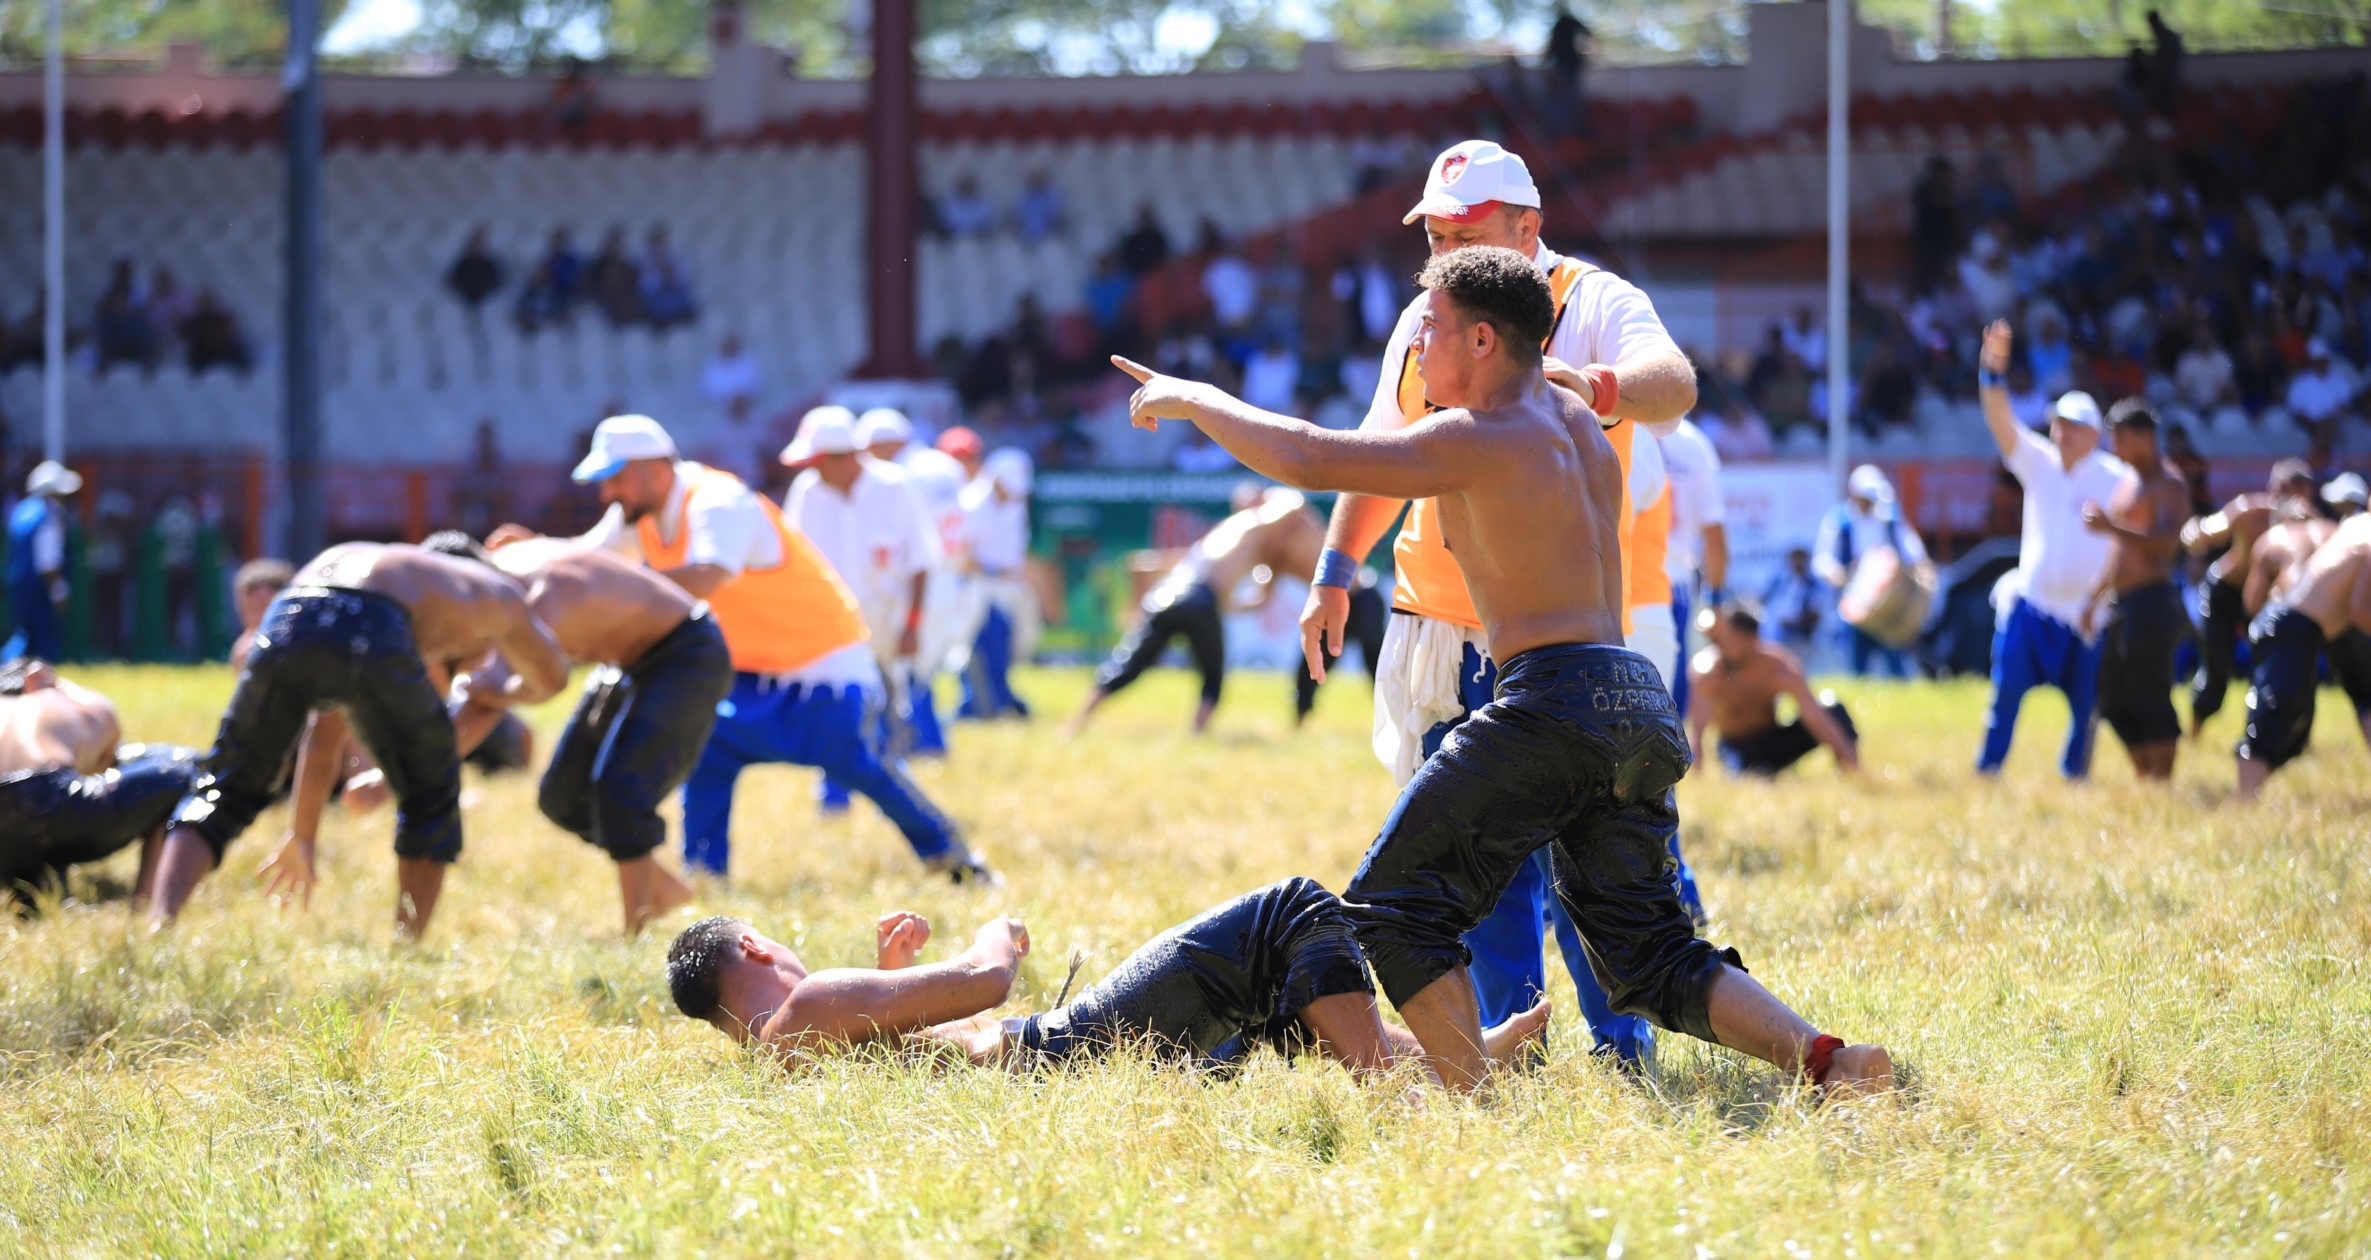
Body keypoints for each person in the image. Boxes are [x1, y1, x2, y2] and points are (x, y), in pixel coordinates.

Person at [1113, 245, 1893, 1097]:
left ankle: (1469, 1100)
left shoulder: (1477, 435)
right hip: (1632, 696)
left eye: (1431, 330)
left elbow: (1310, 458)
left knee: (1390, 903)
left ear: (1484, 341)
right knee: (1653, 951)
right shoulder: (1576, 422)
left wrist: (1197, 399)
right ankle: (1831, 1063)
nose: (1415, 347)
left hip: (1550, 699)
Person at [1294, 140, 1701, 1067]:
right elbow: (1376, 447)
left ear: (1528, 227)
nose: (1442, 250)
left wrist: (1590, 382)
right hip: (1442, 625)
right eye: (1433, 234)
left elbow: (1672, 384)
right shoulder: (1423, 319)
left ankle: (1621, 1046)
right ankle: (1509, 1046)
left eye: (1463, 232)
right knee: (1481, 865)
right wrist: (1332, 571)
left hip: (1568, 639)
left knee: (1589, 864)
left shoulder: (1593, 300)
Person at [511, 415, 991, 884]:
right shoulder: (638, 513)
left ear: (655, 469)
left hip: (824, 670)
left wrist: (609, 590)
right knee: (708, 752)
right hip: (750, 672)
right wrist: (531, 553)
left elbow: (708, 575)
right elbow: (588, 558)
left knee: (861, 765)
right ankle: (704, 873)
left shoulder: (719, 501)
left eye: (614, 479)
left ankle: (952, 856)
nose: (606, 494)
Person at [666, 877, 1549, 1079]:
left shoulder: (777, 1056)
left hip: (1050, 1068)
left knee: (1260, 988)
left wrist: (895, 978)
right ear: (749, 947)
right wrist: (994, 931)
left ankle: (1441, 1059)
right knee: (1292, 910)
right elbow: (983, 986)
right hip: (1062, 1052)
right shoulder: (810, 1003)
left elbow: (918, 1056)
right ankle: (1406, 1085)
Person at [144, 542, 571, 936]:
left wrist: (303, 835)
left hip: (290, 609)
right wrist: (498, 692)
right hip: (369, 620)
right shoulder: (495, 594)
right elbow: (553, 678)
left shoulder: (402, 579)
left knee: (227, 780)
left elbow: (324, 732)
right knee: (431, 791)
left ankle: (159, 923)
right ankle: (408, 947)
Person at [424, 531, 730, 935]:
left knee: (622, 788)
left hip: (688, 651)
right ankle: (662, 888)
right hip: (624, 661)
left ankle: (635, 932)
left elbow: (526, 689)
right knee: (561, 797)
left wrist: (416, 767)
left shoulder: (541, 599)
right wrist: (415, 771)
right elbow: (485, 694)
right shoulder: (505, 577)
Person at [1975, 322, 2135, 781]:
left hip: (2087, 613)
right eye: (2058, 424)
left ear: (2094, 434)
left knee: (2087, 708)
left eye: (2073, 426)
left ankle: (2075, 778)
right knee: (2004, 696)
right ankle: (1988, 770)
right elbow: (2000, 421)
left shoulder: (2116, 478)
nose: (2061, 432)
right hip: (2033, 603)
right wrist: (1992, 371)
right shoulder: (2039, 462)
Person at [1066, 487, 1324, 738]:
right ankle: (1197, 734)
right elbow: (1296, 502)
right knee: (1213, 676)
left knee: (1127, 665)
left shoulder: (1219, 534)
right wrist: (1272, 495)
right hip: (1200, 599)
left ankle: (1076, 722)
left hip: (1165, 598)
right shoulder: (1254, 524)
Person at [782, 407, 940, 808]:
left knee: (888, 708)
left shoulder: (895, 486)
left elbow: (921, 561)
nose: (813, 471)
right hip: (829, 626)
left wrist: (913, 624)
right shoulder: (807, 492)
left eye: (819, 462)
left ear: (844, 457)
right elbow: (794, 561)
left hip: (887, 621)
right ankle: (834, 796)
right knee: (833, 709)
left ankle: (895, 796)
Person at [0, 658, 199, 897]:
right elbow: (107, 729)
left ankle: (31, 890)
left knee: (26, 838)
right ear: (35, 678)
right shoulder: (56, 699)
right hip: (49, 797)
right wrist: (61, 685)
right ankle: (148, 906)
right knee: (182, 770)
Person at [2078, 400, 2192, 781]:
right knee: (2112, 695)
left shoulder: (2169, 483)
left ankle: (2163, 780)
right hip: (2122, 604)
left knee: (2149, 692)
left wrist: (2112, 526)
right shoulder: (2128, 483)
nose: (2116, 448)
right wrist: (2094, 597)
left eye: (2122, 439)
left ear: (2146, 438)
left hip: (2153, 602)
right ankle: (2147, 776)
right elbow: (2119, 550)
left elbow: (2166, 544)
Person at [865, 410, 977, 757]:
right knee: (924, 665)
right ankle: (929, 740)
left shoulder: (896, 475)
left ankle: (916, 741)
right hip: (951, 575)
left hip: (919, 577)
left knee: (903, 666)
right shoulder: (944, 466)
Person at [2236, 514, 2371, 800]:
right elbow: (2361, 608)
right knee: (2278, 713)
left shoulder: (2357, 525)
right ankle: (2243, 800)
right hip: (2290, 625)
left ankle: (2247, 795)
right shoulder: (2367, 537)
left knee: (2297, 720)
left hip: (2303, 627)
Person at [2181, 461, 2319, 733]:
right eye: (2283, 493)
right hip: (2226, 592)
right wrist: (2193, 534)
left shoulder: (2311, 527)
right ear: (2272, 490)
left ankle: (2289, 737)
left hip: (2267, 601)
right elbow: (2204, 532)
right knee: (2216, 671)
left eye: (2296, 496)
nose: (2289, 502)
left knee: (2284, 668)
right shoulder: (2249, 512)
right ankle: (2193, 732)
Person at [1686, 603, 1859, 778]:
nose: (1720, 642)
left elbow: (1814, 716)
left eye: (1728, 636)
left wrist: (1850, 761)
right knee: (1746, 776)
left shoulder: (1779, 669)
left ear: (1751, 638)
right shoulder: (1707, 673)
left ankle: (1847, 767)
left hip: (1772, 740)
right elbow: (1697, 731)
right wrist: (1695, 774)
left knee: (1833, 709)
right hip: (1737, 746)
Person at [1811, 465, 1926, 678]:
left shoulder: (1890, 521)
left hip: (1887, 604)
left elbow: (1915, 555)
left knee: (1895, 661)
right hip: (1855, 604)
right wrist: (1836, 574)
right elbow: (1822, 560)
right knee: (1857, 665)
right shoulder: (1839, 521)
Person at [1657, 416, 1730, 718]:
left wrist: (1714, 601)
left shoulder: (1609, 423)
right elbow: (1714, 536)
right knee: (1668, 700)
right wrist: (1715, 601)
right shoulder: (1693, 444)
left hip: (1632, 583)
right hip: (1670, 584)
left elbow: (1714, 537)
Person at [957, 450, 1034, 722]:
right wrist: (994, 571)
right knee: (981, 649)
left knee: (1007, 647)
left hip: (1009, 589)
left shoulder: (1014, 505)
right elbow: (960, 557)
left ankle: (999, 699)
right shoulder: (970, 505)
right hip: (979, 590)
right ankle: (976, 705)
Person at [5, 460, 80, 662]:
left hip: (18, 583)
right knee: (39, 643)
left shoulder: (22, 510)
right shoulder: (47, 515)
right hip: (39, 587)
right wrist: (58, 590)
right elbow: (48, 560)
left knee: (24, 633)